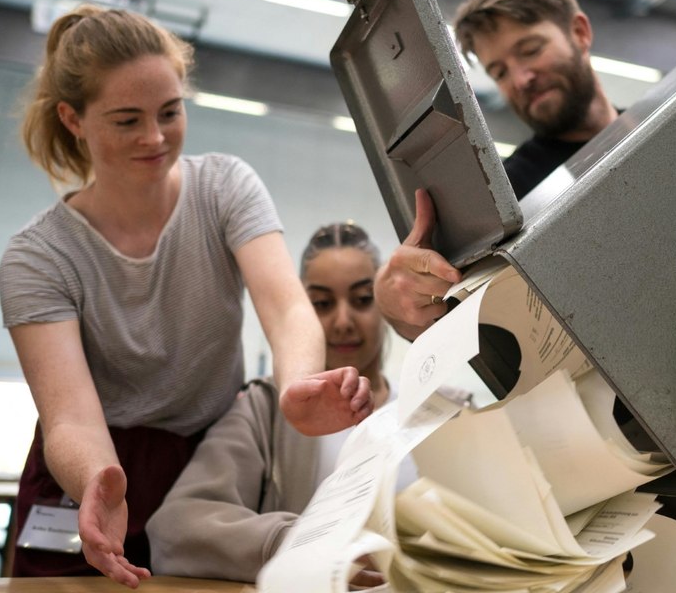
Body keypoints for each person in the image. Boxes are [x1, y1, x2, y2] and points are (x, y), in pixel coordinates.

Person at [374, 0, 676, 572]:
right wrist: (401, 307)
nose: (520, 77)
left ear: (580, 30)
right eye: (497, 71)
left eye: (530, 48)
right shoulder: (504, 197)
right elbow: (450, 318)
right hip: (597, 472)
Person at [0, 6, 372, 587]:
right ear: (73, 118)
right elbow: (69, 414)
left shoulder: (223, 187)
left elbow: (286, 305)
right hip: (95, 474)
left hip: (208, 464)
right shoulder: (39, 256)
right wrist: (97, 479)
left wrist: (298, 383)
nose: (155, 137)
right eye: (127, 121)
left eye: (170, 113)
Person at [148, 222, 454, 583]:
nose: (342, 321)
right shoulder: (265, 410)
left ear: (385, 306)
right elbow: (174, 529)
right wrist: (297, 544)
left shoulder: (439, 415)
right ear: (301, 312)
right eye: (322, 304)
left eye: (361, 299)